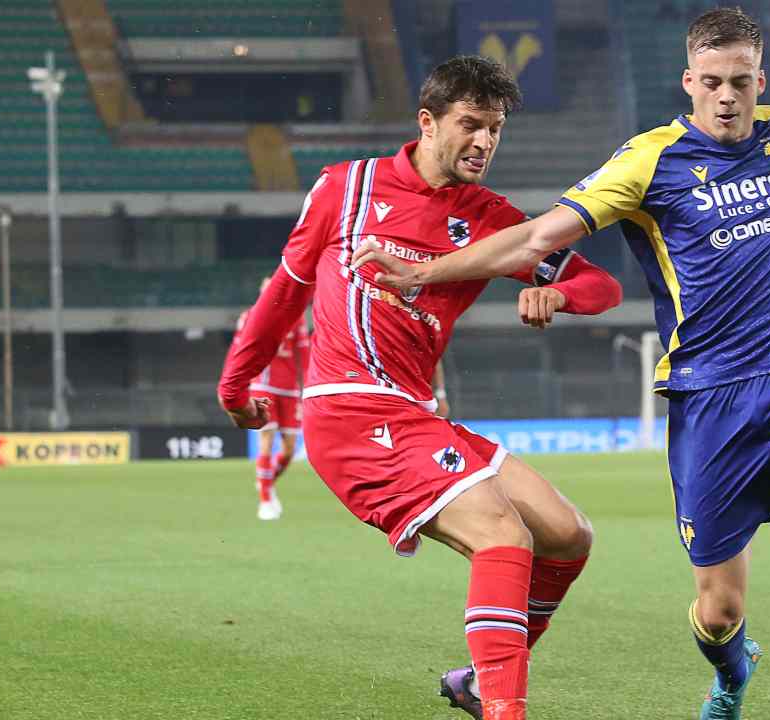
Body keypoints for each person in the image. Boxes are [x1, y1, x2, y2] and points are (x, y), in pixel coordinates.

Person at [351, 9, 770, 717]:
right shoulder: (648, 160)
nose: (728, 96)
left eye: (741, 81)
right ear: (688, 82)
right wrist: (422, 273)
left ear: (761, 81)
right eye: (712, 82)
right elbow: (535, 240)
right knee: (717, 607)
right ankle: (733, 674)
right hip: (711, 394)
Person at [218, 56, 623, 720]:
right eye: (471, 124)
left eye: (495, 129)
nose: (484, 143)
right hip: (347, 411)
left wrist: (556, 293)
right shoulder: (346, 189)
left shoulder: (492, 219)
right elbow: (282, 297)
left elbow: (601, 285)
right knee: (502, 534)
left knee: (567, 534)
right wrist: (236, 388)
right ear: (427, 122)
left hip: (414, 413)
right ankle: (504, 709)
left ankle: (476, 679)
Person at [228, 277, 310, 520]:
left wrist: (307, 387)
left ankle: (267, 482)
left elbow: (303, 356)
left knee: (288, 450)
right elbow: (238, 352)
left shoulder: (295, 318)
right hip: (262, 385)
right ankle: (264, 501)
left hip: (290, 390)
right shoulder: (249, 317)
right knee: (266, 438)